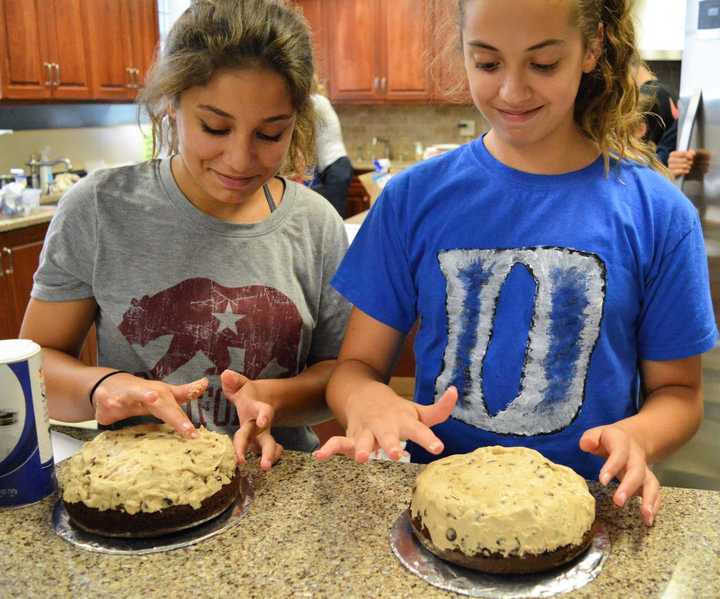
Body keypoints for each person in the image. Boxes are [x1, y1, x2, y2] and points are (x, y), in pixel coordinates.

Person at [314, 0, 717, 528]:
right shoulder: (413, 199)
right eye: (487, 63)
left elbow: (680, 395)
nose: (511, 90)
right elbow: (355, 370)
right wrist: (367, 401)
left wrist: (637, 436)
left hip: (590, 516)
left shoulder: (659, 215)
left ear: (591, 48)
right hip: (438, 513)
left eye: (543, 64)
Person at [20, 0, 350, 470]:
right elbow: (38, 366)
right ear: (171, 105)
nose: (239, 159)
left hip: (273, 482)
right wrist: (100, 387)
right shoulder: (98, 209)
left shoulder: (315, 225)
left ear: (297, 121)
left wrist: (271, 398)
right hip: (135, 482)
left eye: (270, 135)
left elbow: (339, 376)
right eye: (214, 127)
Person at [309, 83, 354, 218]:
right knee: (332, 214)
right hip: (338, 165)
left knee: (334, 216)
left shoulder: (314, 102)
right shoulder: (320, 101)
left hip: (335, 166)